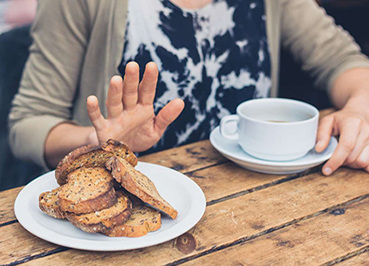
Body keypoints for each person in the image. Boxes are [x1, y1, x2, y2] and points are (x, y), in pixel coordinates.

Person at [8, 0, 369, 176]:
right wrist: (97, 143)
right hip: (123, 218)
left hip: (255, 202)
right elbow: (27, 125)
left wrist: (358, 108)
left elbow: (345, 63)